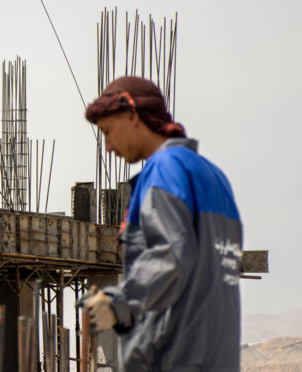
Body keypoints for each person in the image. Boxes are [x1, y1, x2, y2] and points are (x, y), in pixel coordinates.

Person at [79, 76, 243, 372]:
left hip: (173, 358)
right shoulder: (215, 177)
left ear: (131, 113)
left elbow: (171, 256)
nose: (108, 147)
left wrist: (118, 304)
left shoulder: (165, 170)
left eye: (107, 131)